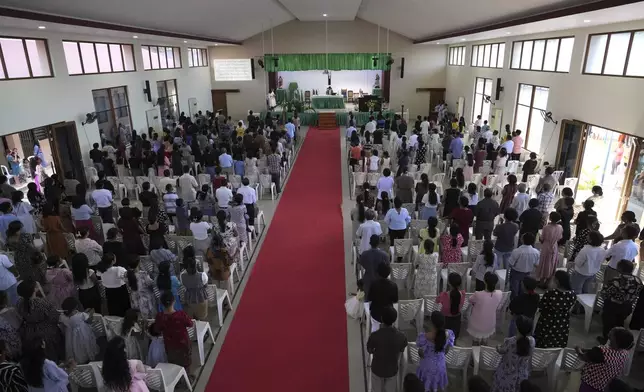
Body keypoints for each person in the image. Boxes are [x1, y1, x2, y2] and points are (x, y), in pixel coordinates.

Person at [16, 280, 64, 361]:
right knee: (50, 354)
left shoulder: (19, 303)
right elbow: (54, 316)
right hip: (46, 332)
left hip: (30, 332)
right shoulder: (40, 303)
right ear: (34, 289)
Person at [577, 328, 634, 392]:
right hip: (606, 384)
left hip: (591, 383)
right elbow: (594, 353)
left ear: (616, 341)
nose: (608, 334)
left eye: (612, 335)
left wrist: (577, 348)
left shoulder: (602, 352)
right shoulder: (624, 353)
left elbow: (583, 357)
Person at [599, 260, 643, 344]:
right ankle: (619, 340)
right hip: (627, 306)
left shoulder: (617, 280)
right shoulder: (638, 280)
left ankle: (607, 341)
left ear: (620, 269)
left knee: (608, 325)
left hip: (613, 306)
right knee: (620, 322)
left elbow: (605, 293)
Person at [366, 306, 407, 392]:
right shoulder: (401, 336)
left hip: (377, 369)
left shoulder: (375, 336)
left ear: (381, 318)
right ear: (394, 319)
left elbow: (369, 350)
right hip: (391, 370)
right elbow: (401, 350)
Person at [491, 316, 534, 392]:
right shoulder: (532, 341)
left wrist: (497, 347)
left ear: (517, 328)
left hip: (506, 374)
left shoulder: (510, 341)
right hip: (522, 375)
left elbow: (501, 350)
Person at [534, 270, 576, 348]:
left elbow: (541, 306)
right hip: (562, 323)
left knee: (543, 340)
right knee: (557, 341)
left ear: (557, 281)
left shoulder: (550, 294)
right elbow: (570, 308)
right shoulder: (572, 294)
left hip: (547, 321)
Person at [416, 311, 455, 392]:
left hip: (427, 366)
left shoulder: (425, 336)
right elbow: (446, 350)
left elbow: (420, 352)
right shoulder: (449, 334)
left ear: (431, 322)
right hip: (441, 364)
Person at [155, 291, 194, 371]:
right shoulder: (181, 315)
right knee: (185, 362)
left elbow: (158, 329)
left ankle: (177, 377)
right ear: (174, 301)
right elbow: (190, 324)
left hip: (170, 344)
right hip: (183, 343)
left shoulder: (160, 317)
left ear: (162, 304)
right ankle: (187, 377)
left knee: (173, 362)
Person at [60, 297, 98, 365]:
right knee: (84, 346)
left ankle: (77, 360)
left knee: (73, 348)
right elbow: (89, 321)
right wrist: (91, 313)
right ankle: (87, 358)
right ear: (75, 307)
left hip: (70, 336)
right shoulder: (81, 315)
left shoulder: (63, 317)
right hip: (83, 335)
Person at [6, 221, 45, 286]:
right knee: (35, 271)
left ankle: (32, 287)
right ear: (16, 230)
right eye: (20, 229)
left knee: (26, 273)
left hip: (19, 259)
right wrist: (39, 252)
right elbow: (32, 248)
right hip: (29, 257)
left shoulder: (9, 239)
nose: (21, 230)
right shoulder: (25, 236)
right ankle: (39, 284)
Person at [467, 272, 502, 344]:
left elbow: (470, 300)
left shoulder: (478, 294)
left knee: (476, 342)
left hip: (477, 324)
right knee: (485, 342)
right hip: (490, 323)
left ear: (484, 281)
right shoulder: (499, 293)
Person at [570, 231, 606, 295]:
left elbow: (578, 263)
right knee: (586, 290)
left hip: (580, 273)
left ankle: (576, 302)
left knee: (576, 289)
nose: (587, 236)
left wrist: (576, 256)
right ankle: (582, 303)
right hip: (593, 273)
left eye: (588, 236)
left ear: (591, 240)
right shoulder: (602, 250)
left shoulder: (585, 250)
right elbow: (601, 261)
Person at [507, 233, 540, 299]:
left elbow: (511, 264)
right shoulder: (536, 252)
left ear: (522, 240)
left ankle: (514, 302)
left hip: (516, 273)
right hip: (527, 273)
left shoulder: (517, 251)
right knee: (524, 289)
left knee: (514, 290)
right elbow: (536, 264)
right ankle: (521, 300)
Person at [367, 263, 398, 332]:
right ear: (389, 273)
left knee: (375, 327)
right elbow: (395, 300)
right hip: (389, 315)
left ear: (378, 272)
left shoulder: (374, 284)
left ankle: (374, 334)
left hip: (376, 313)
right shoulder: (393, 285)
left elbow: (369, 298)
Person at [535, 211, 563, 284]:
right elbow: (560, 238)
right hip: (555, 246)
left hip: (546, 246)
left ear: (550, 218)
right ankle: (548, 281)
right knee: (552, 262)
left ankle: (541, 281)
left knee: (544, 262)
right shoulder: (560, 227)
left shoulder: (546, 227)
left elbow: (542, 239)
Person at [437, 272, 465, 340]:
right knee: (453, 338)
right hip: (457, 320)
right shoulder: (463, 294)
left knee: (444, 338)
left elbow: (437, 301)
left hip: (446, 320)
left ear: (449, 283)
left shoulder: (444, 295)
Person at [180, 256, 209, 321]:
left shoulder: (182, 276)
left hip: (189, 300)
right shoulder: (202, 275)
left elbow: (184, 286)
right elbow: (205, 285)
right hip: (201, 299)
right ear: (195, 266)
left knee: (192, 318)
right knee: (202, 317)